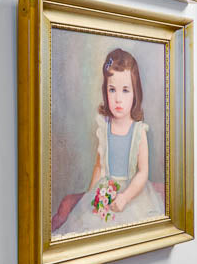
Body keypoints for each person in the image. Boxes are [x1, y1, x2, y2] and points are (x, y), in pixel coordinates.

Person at [55, 48, 164, 237]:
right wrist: (90, 199)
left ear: (135, 94)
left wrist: (125, 198)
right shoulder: (104, 128)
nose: (118, 99)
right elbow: (99, 166)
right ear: (105, 91)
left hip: (131, 194)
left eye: (125, 90)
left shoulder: (138, 131)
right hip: (105, 191)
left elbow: (143, 172)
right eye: (112, 90)